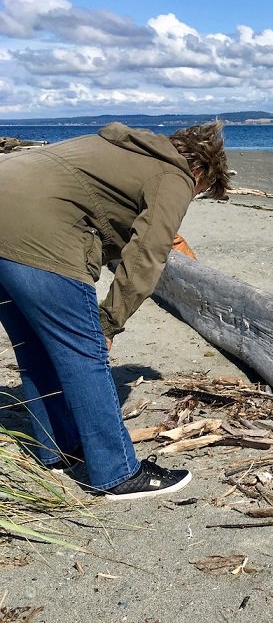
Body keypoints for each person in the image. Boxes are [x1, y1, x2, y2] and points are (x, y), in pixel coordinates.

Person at [0, 121, 231, 500]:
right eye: (200, 192)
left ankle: (57, 449)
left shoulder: (117, 148)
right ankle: (117, 472)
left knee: (34, 347)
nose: (193, 197)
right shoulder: (174, 175)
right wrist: (108, 322)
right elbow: (147, 255)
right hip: (39, 233)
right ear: (200, 172)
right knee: (84, 353)